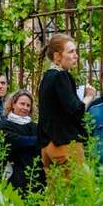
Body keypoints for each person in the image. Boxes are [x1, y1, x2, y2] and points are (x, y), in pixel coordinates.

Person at [38, 33, 96, 174]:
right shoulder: (61, 76)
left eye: (75, 51)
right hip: (65, 145)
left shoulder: (47, 77)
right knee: (77, 192)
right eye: (71, 51)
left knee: (55, 194)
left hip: (47, 146)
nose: (76, 55)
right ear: (57, 56)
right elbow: (75, 110)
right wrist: (89, 96)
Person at [0, 90, 45, 195]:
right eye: (22, 104)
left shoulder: (35, 127)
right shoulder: (4, 125)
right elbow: (18, 141)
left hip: (36, 176)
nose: (25, 108)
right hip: (16, 174)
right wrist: (39, 140)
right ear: (13, 104)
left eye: (28, 105)